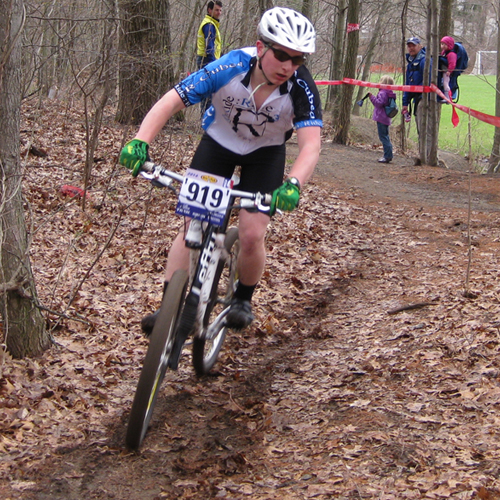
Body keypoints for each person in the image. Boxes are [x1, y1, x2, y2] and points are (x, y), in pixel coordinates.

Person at [119, 7, 322, 335]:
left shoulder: (301, 86)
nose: (288, 66)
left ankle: (242, 298)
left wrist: (294, 183)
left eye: (298, 59)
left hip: (266, 154)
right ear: (260, 48)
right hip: (218, 143)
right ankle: (168, 304)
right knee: (192, 226)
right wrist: (140, 140)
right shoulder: (229, 65)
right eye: (282, 55)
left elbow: (311, 144)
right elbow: (171, 100)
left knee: (252, 234)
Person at [197, 1, 223, 114]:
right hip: (207, 61)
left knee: (209, 91)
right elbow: (209, 47)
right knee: (208, 92)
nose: (219, 13)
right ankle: (205, 120)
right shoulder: (209, 25)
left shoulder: (212, 24)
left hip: (208, 60)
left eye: (220, 10)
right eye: (216, 10)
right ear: (209, 10)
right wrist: (214, 65)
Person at [367, 75, 396, 164]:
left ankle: (387, 156)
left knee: (383, 137)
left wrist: (371, 97)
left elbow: (379, 104)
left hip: (381, 117)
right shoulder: (390, 92)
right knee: (385, 136)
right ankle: (388, 155)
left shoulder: (383, 93)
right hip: (386, 118)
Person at [401, 36, 427, 135]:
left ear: (420, 46)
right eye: (409, 46)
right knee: (420, 130)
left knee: (424, 131)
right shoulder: (410, 64)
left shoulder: (425, 61)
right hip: (416, 99)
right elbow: (408, 84)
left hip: (424, 99)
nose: (411, 48)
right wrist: (405, 103)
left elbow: (427, 81)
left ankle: (426, 150)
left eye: (413, 46)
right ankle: (422, 150)